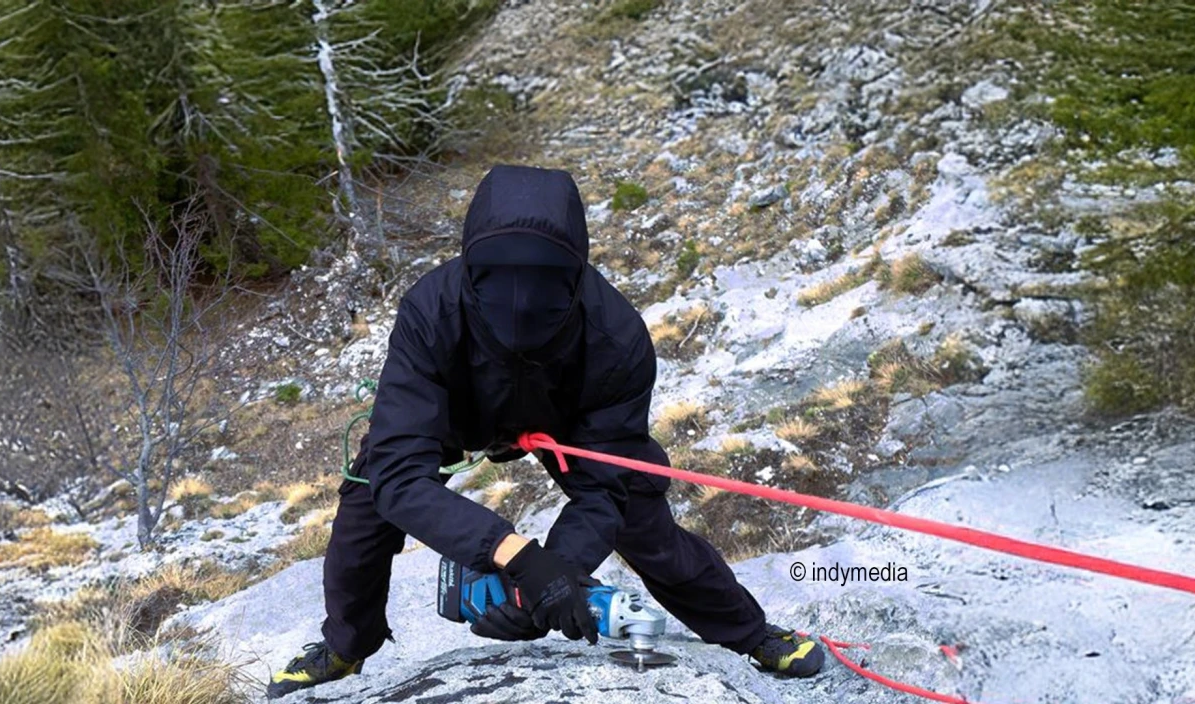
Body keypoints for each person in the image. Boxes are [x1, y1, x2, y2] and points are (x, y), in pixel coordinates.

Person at [267, 165, 825, 699]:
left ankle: (748, 632)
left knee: (644, 522)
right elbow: (397, 472)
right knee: (367, 503)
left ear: (575, 275)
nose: (519, 306)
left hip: (566, 421)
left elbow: (605, 485)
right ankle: (347, 645)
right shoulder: (430, 313)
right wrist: (517, 558)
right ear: (470, 267)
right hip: (455, 413)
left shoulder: (617, 337)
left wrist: (558, 579)